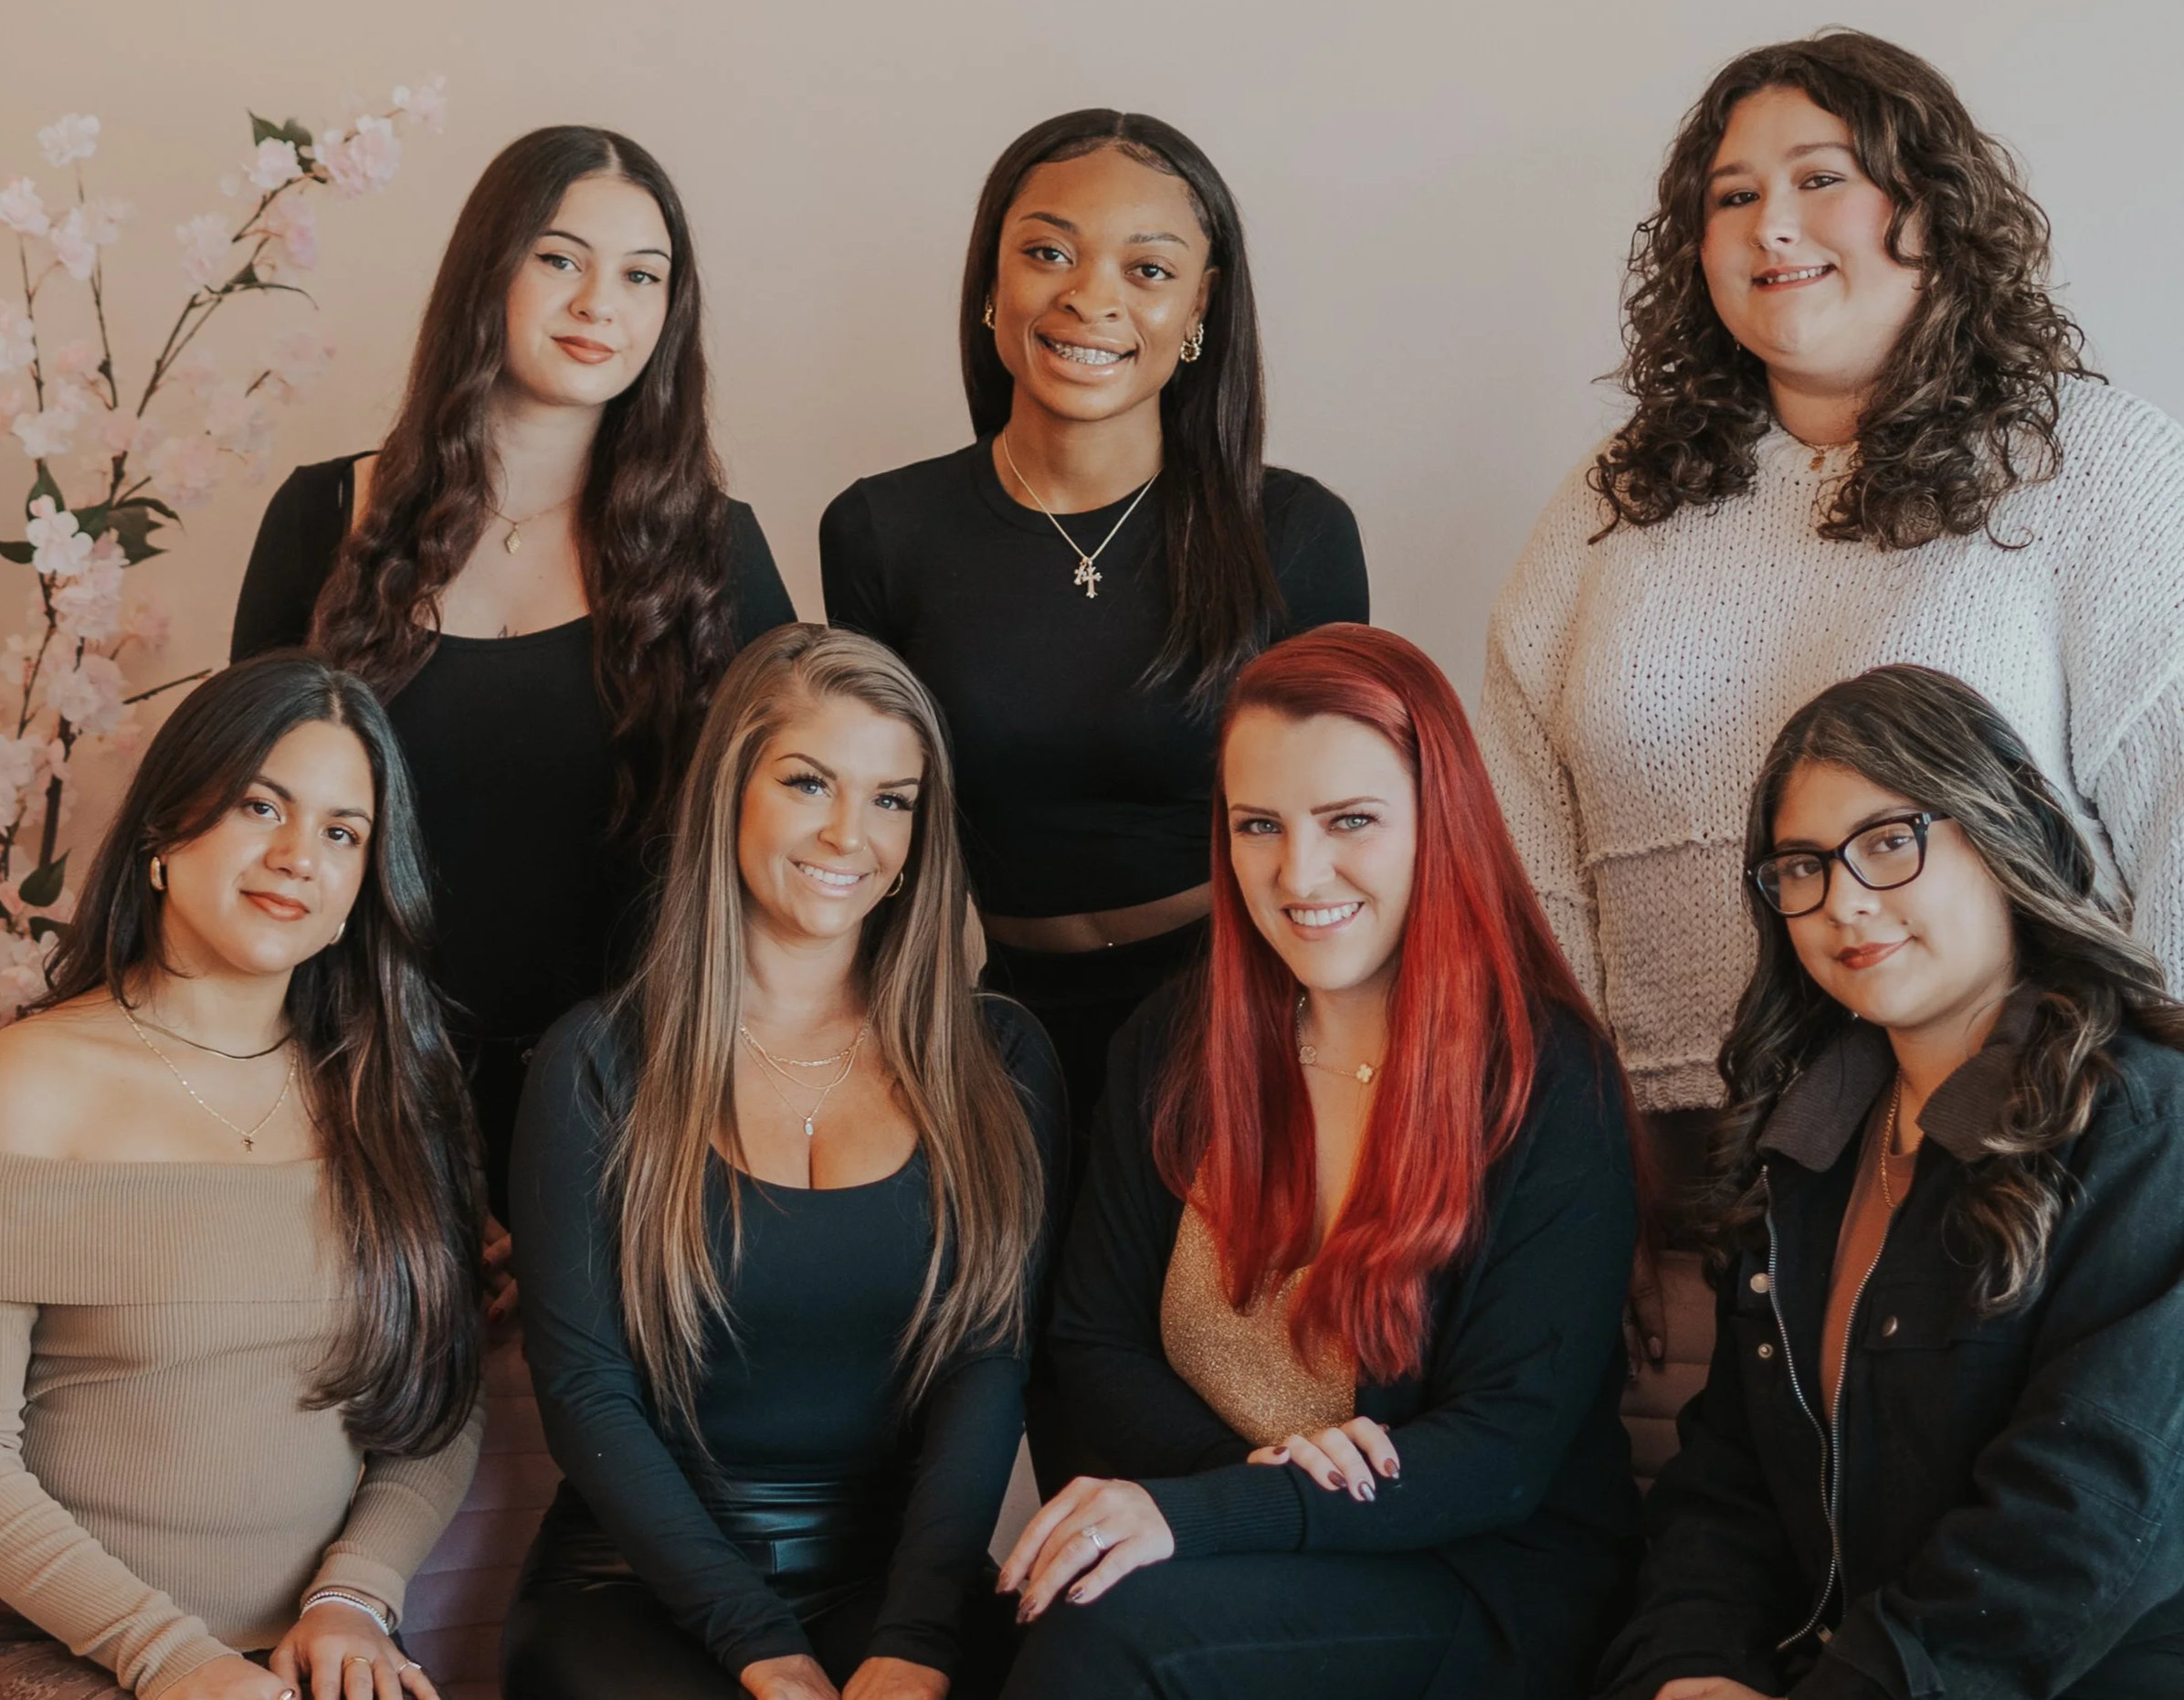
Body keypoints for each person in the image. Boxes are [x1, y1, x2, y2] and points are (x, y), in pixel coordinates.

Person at [1476, 32, 2184, 1302]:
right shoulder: (1608, 510)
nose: (1772, 225)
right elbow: (1526, 867)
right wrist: (1566, 1172)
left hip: (2016, 1170)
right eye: (1732, 195)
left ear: (1932, 207)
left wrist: (2138, 1173)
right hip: (1664, 1183)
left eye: (1820, 178)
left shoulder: (2094, 471)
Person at [999, 624, 1641, 1700]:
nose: (1299, 874)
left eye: (1349, 821)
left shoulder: (1545, 1079)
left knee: (1107, 1638)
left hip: (1473, 1575)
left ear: (1440, 822)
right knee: (1030, 1610)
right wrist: (1245, 1498)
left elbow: (1504, 1449)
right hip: (1244, 1548)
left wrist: (1222, 1516)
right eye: (1260, 825)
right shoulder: (1173, 1044)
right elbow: (1091, 1346)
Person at [233, 125, 797, 1216]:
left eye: (641, 276)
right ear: (485, 270)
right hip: (345, 1093)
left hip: (624, 1108)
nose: (599, 304)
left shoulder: (716, 552)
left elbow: (769, 857)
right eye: (559, 258)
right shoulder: (322, 518)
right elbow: (240, 825)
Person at [1596, 662, 2184, 1700]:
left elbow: (2083, 1515)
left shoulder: (2143, 1122)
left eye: (1887, 842)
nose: (1845, 904)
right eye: (1802, 867)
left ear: (2002, 835)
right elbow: (1727, 1483)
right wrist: (1689, 1666)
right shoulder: (1804, 1142)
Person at [502, 625, 1061, 1700]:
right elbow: (584, 1388)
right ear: (730, 793)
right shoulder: (599, 1061)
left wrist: (918, 1638)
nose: (850, 834)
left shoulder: (999, 1060)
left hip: (899, 1585)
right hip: (635, 1587)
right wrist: (757, 1641)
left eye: (892, 800)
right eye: (810, 783)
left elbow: (987, 1365)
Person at [821, 107, 1369, 1146]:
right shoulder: (881, 531)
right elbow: (874, 834)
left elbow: (1349, 834)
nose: (1090, 297)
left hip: (1240, 1023)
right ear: (992, 279)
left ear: (1200, 304)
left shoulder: (1293, 533)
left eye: (1148, 269)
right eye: (1047, 253)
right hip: (985, 1031)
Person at [0, 652, 486, 1700]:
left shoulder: (392, 1099)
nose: (297, 856)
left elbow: (439, 1406)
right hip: (63, 1653)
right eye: (261, 806)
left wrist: (355, 1596)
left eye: (342, 833)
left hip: (319, 1656)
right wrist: (173, 1662)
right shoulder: (28, 1085)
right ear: (164, 834)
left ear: (360, 888)